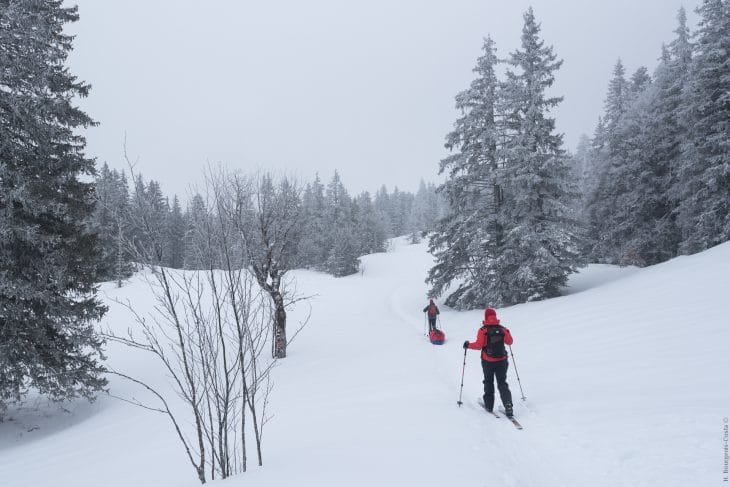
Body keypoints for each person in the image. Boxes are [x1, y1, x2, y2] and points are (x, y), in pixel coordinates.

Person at [463, 308, 514, 417]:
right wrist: (507, 333)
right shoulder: (502, 329)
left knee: (488, 381)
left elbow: (478, 346)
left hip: (488, 361)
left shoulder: (483, 330)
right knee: (502, 382)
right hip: (502, 361)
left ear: (485, 317)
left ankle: (489, 405)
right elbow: (510, 342)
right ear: (495, 316)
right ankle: (508, 405)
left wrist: (468, 345)